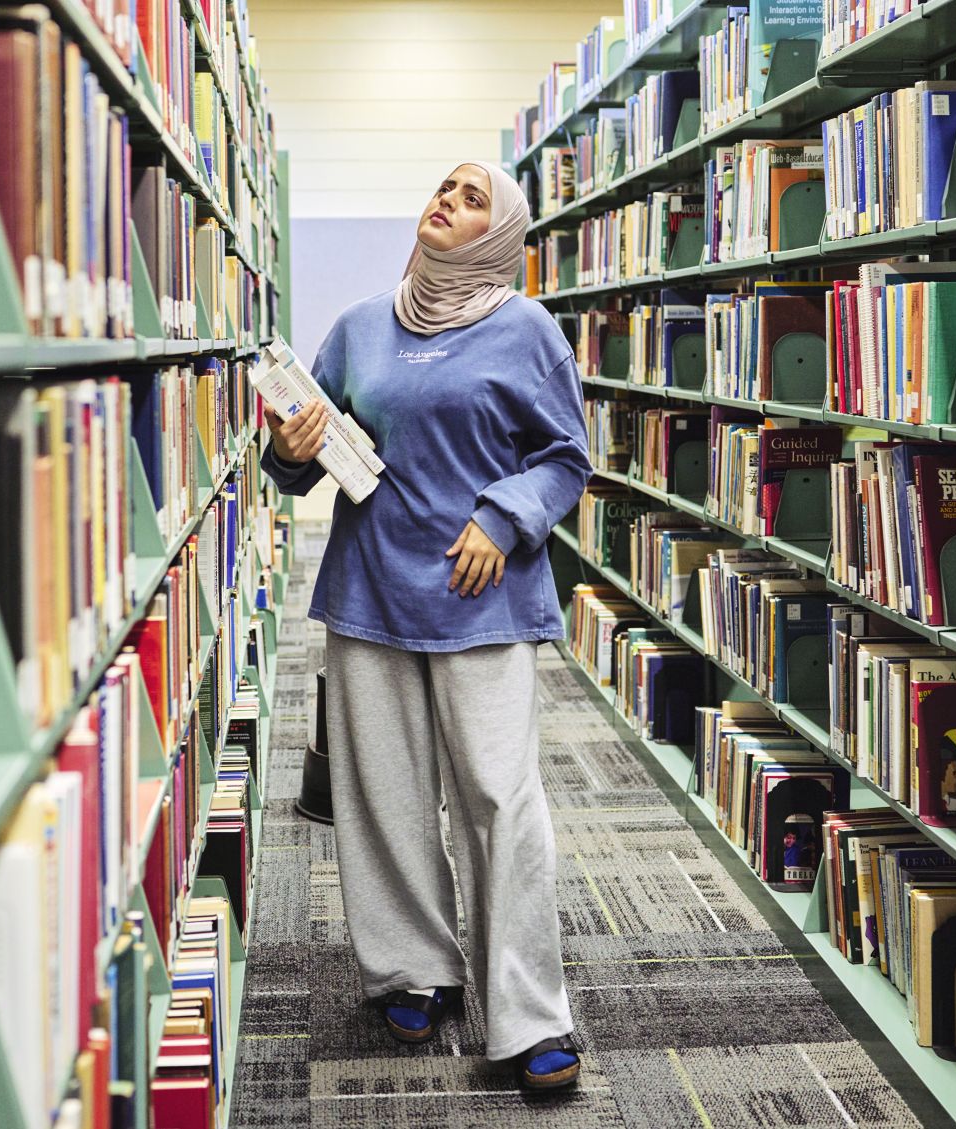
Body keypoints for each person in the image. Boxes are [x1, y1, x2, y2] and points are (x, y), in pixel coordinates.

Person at [259, 161, 593, 1089]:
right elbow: (303, 455)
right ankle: (415, 967)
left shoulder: (527, 330)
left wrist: (505, 514)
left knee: (500, 799)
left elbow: (567, 456)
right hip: (371, 591)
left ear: (499, 232)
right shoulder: (360, 327)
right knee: (385, 795)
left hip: (483, 597)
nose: (448, 201)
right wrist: (288, 449)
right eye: (445, 188)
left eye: (472, 196)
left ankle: (527, 1014)